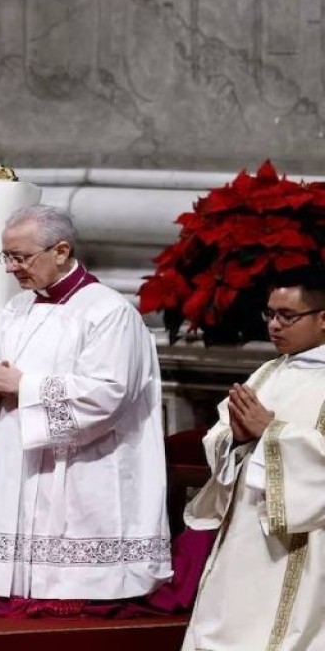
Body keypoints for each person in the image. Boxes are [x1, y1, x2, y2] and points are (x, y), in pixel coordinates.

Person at [0, 205, 170, 616]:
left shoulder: (108, 312)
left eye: (20, 257)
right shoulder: (16, 310)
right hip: (22, 453)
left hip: (90, 460)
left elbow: (108, 394)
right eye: (6, 256)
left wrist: (22, 385)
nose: (11, 268)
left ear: (60, 250)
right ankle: (22, 580)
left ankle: (86, 582)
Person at [181, 266, 325, 649]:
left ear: (323, 318)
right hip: (245, 531)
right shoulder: (267, 372)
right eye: (270, 314)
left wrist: (272, 433)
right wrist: (237, 440)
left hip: (306, 541)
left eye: (287, 316)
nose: (274, 326)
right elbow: (221, 433)